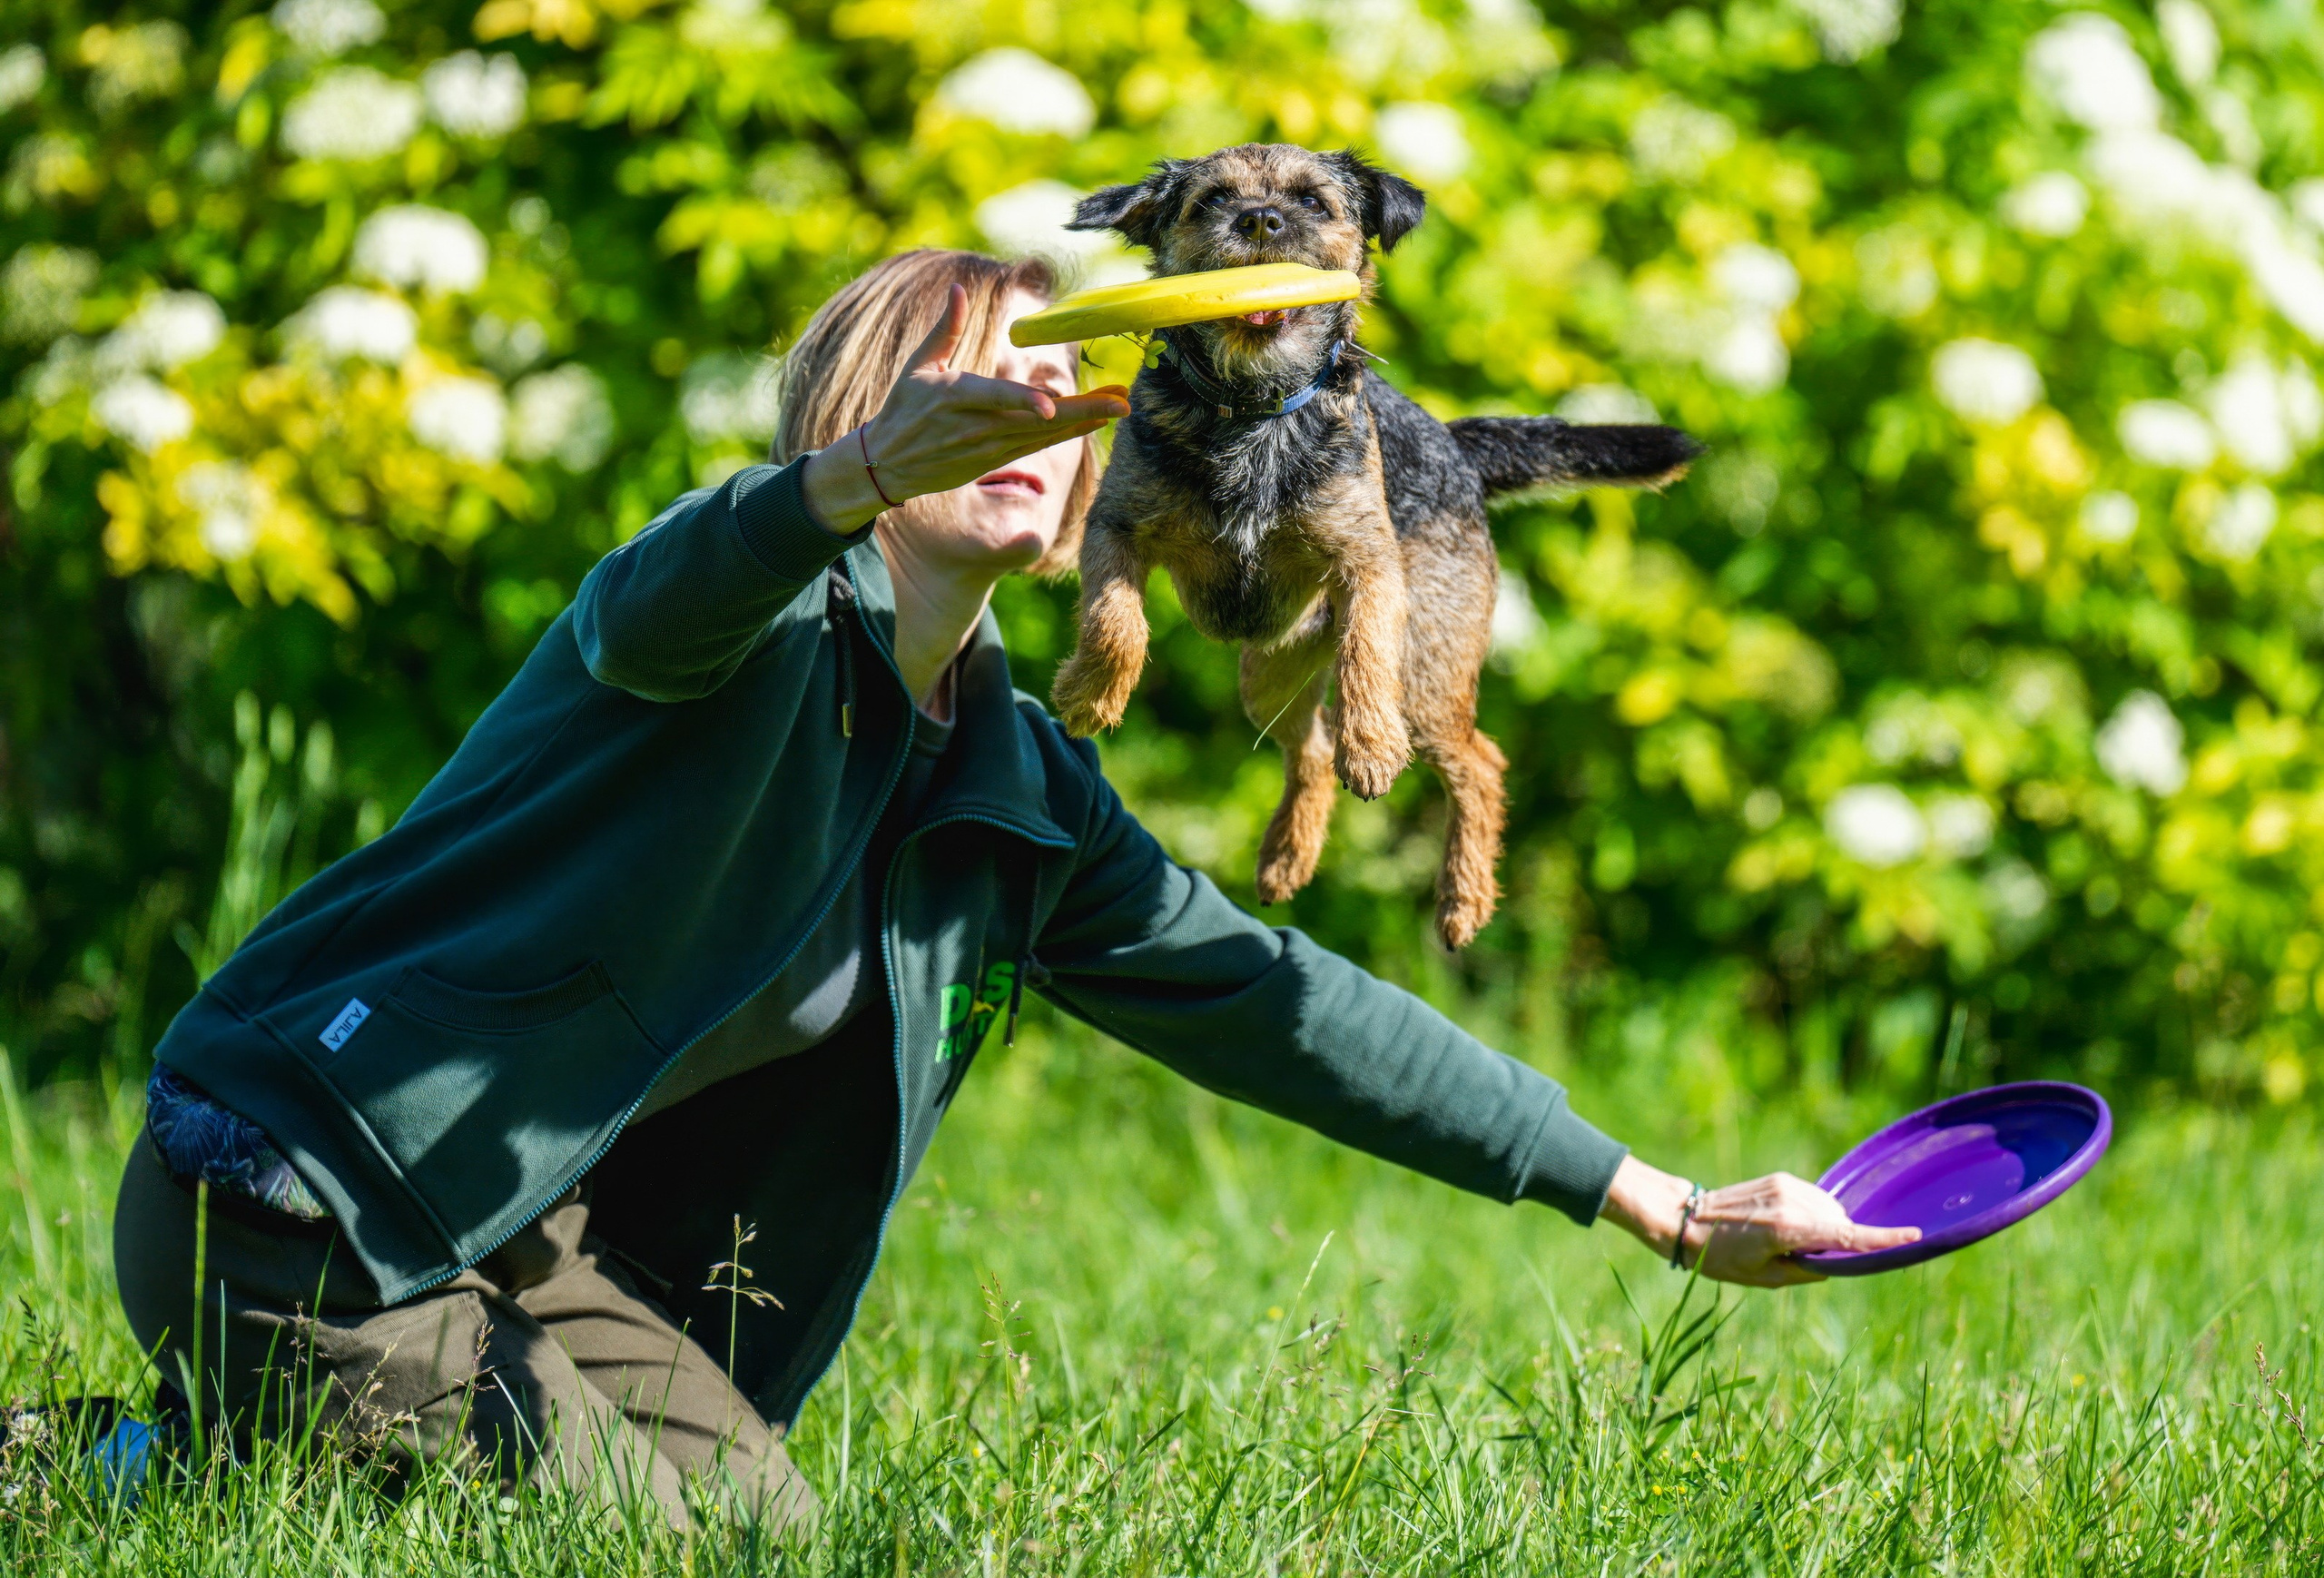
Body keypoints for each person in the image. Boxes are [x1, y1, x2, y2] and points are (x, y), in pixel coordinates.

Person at [113, 249, 1915, 1531]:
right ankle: (111, 1463)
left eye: (1072, 395)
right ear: (869, 419)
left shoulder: (1015, 781)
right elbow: (654, 601)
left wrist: (1659, 1202)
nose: (1043, 414)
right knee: (624, 1543)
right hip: (288, 1183)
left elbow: (1286, 1010)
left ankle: (155, 1459)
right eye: (993, 378)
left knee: (760, 1531)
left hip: (521, 1232)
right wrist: (840, 485)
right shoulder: (734, 623)